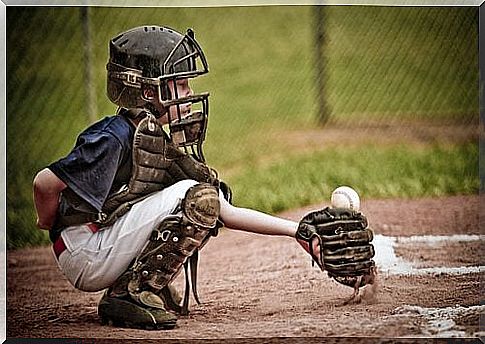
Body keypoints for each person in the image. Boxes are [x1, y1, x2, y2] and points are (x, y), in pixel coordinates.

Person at [33, 25, 319, 330]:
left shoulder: (152, 140)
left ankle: (140, 282)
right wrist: (48, 221)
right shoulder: (113, 137)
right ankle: (130, 294)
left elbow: (225, 211)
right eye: (180, 84)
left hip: (100, 246)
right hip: (86, 253)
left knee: (203, 196)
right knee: (197, 197)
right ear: (147, 91)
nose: (189, 94)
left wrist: (297, 231)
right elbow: (44, 183)